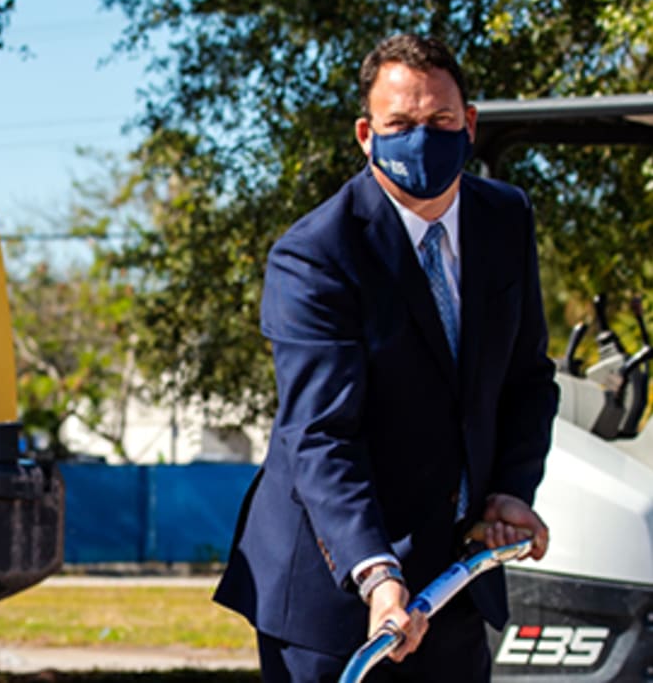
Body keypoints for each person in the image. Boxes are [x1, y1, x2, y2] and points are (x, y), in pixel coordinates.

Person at [214, 33, 559, 681]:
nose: (422, 138)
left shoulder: (506, 219)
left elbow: (527, 379)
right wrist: (377, 574)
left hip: (455, 576)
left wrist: (511, 488)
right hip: (334, 590)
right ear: (367, 134)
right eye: (401, 124)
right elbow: (320, 434)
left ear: (470, 125)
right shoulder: (317, 254)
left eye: (441, 121)